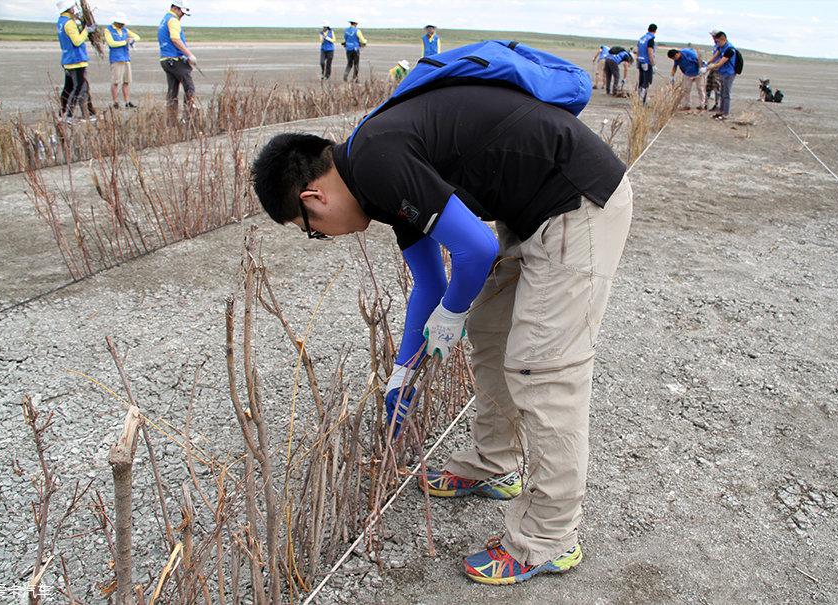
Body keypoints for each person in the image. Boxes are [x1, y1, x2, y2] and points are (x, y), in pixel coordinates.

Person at [251, 78, 632, 585]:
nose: (324, 236)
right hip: (531, 211)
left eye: (312, 231)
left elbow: (475, 250)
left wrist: (450, 315)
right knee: (493, 336)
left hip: (576, 204)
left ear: (312, 196)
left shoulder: (377, 161)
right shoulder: (372, 176)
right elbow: (430, 280)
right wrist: (403, 370)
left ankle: (549, 538)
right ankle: (494, 464)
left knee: (542, 368)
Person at [57, 0, 97, 123]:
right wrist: (86, 30)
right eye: (72, 8)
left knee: (68, 87)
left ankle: (63, 113)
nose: (74, 10)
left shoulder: (61, 21)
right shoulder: (69, 23)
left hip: (67, 59)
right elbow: (77, 41)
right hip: (76, 60)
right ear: (68, 9)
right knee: (79, 87)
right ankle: (69, 115)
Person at [158, 1, 196, 125]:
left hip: (166, 60)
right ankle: (189, 118)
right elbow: (175, 39)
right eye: (181, 12)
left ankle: (171, 121)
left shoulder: (164, 19)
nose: (182, 16)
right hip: (174, 60)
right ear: (175, 8)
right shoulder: (173, 21)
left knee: (172, 91)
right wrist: (189, 54)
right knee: (189, 88)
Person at [105, 12, 140, 109]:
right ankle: (115, 102)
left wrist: (132, 40)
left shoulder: (125, 30)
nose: (123, 25)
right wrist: (125, 42)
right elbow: (111, 43)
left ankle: (127, 101)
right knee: (116, 81)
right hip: (116, 59)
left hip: (126, 58)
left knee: (126, 81)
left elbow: (137, 36)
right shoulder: (108, 30)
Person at [705, 30, 737, 120]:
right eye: (716, 41)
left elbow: (719, 63)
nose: (717, 43)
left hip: (729, 73)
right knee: (722, 93)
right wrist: (707, 63)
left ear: (724, 40)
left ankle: (725, 114)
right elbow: (715, 58)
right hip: (722, 73)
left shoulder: (730, 50)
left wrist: (707, 68)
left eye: (718, 41)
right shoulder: (721, 47)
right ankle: (720, 111)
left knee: (726, 94)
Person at [636, 23, 657, 102]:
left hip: (640, 61)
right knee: (646, 82)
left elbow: (638, 51)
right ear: (655, 31)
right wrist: (653, 65)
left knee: (641, 81)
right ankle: (642, 101)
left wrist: (638, 61)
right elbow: (650, 53)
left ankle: (638, 99)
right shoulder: (650, 39)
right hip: (647, 62)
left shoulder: (641, 38)